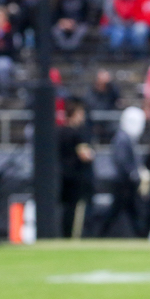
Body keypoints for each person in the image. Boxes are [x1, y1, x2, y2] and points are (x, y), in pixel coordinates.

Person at [98, 105, 145, 237]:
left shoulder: (126, 138)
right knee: (121, 210)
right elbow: (121, 160)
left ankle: (141, 234)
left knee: (129, 210)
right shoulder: (122, 138)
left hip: (125, 182)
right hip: (123, 182)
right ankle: (101, 233)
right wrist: (132, 174)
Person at [58, 97, 95, 238]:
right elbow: (84, 154)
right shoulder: (76, 133)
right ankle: (72, 235)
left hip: (63, 174)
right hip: (75, 176)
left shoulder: (60, 131)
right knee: (75, 209)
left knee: (65, 208)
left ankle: (64, 233)